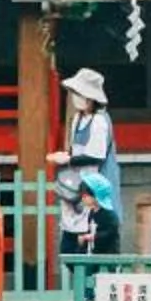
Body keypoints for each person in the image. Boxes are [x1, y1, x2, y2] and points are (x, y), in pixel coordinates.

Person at [62, 66, 124, 256]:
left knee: (98, 248)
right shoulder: (77, 120)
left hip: (98, 186)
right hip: (80, 188)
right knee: (70, 248)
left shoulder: (99, 121)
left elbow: (96, 155)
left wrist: (69, 159)